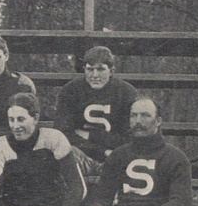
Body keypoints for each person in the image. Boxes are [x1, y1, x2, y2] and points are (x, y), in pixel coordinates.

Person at [55, 46, 138, 177]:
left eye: (100, 69)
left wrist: (91, 135)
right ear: (84, 70)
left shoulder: (126, 93)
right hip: (83, 155)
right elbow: (63, 134)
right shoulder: (70, 90)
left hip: (116, 156)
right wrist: (102, 151)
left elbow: (129, 138)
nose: (94, 75)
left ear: (111, 71)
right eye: (90, 69)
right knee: (66, 155)